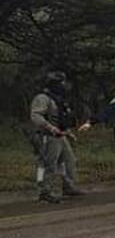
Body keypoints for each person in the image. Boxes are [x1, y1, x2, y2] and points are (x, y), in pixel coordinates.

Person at [30, 71, 85, 203]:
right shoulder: (42, 98)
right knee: (48, 164)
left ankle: (67, 186)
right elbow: (36, 116)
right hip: (47, 136)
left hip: (60, 135)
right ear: (53, 84)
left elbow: (61, 118)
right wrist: (50, 128)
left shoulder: (58, 99)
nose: (64, 85)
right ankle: (44, 191)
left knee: (68, 161)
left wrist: (68, 131)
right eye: (61, 83)